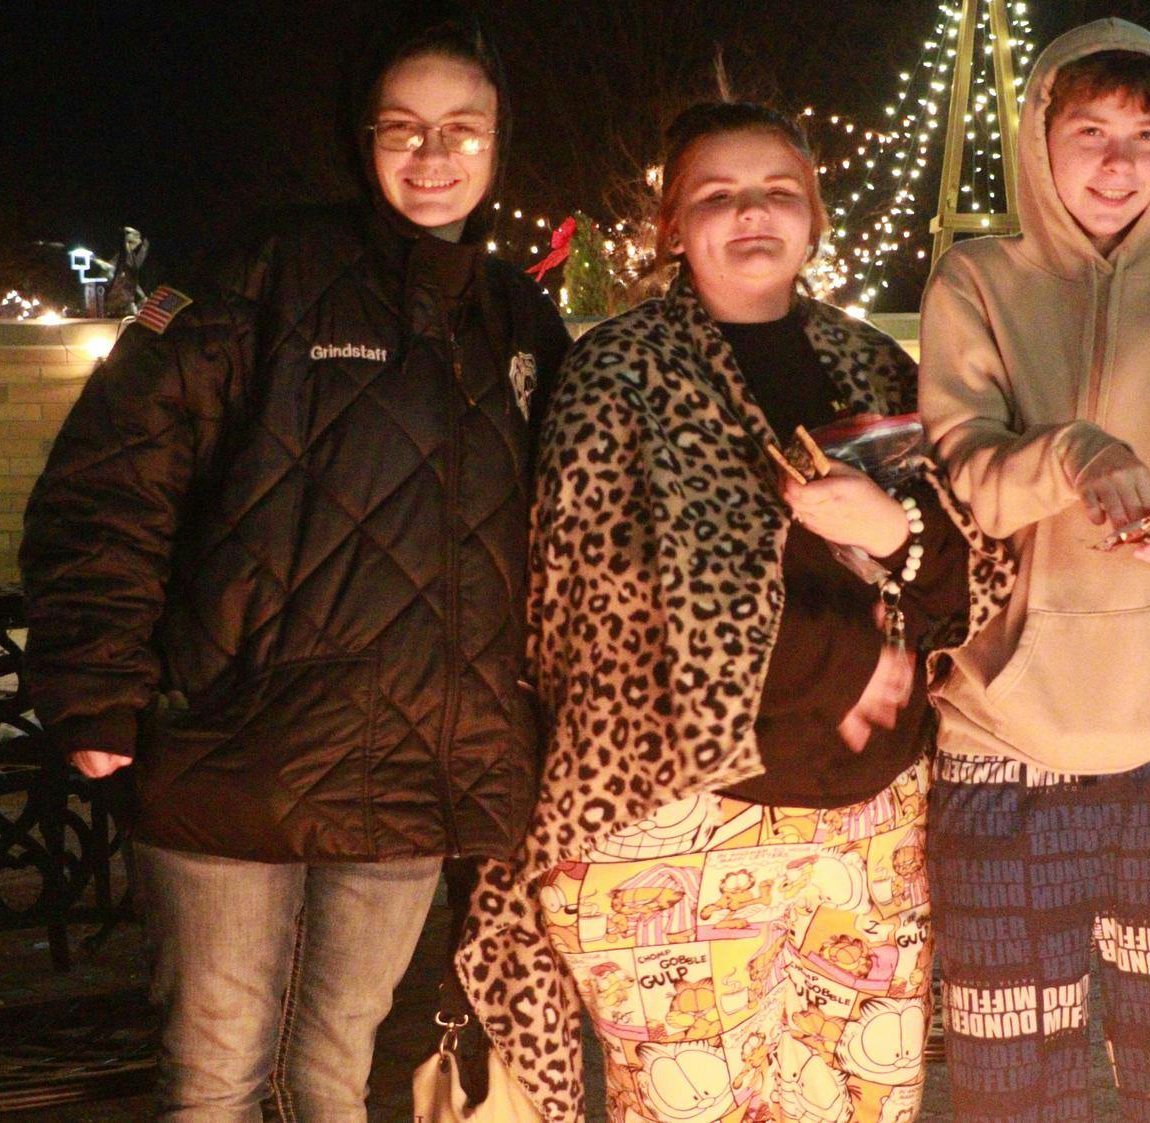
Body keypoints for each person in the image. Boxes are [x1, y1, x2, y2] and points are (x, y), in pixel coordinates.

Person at [18, 7, 569, 1118]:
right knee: (213, 1073)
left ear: (498, 143)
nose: (432, 153)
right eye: (402, 126)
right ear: (359, 138)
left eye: (462, 128)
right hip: (238, 746)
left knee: (335, 1066)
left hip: (417, 765)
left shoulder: (517, 320)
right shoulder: (267, 271)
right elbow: (113, 474)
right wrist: (96, 685)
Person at [455, 101, 990, 1123]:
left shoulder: (874, 366)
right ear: (670, 224)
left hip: (867, 827)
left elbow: (958, 585)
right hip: (678, 820)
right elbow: (577, 616)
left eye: (777, 192)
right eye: (716, 195)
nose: (751, 214)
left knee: (860, 1107)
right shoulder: (613, 373)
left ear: (815, 216)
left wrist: (892, 535)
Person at [917, 18, 1150, 1122]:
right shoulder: (976, 279)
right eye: (1088, 131)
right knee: (1010, 1088)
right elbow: (967, 479)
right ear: (1038, 138)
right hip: (1001, 737)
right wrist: (1075, 453)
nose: (1118, 160)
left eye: (1146, 132)